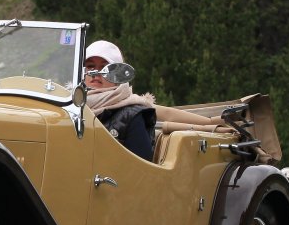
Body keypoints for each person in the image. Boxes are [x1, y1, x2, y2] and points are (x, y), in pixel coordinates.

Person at [84, 40, 232, 159]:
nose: (96, 73)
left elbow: (141, 168)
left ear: (119, 75)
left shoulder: (132, 114)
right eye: (90, 67)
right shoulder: (72, 108)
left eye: (106, 68)